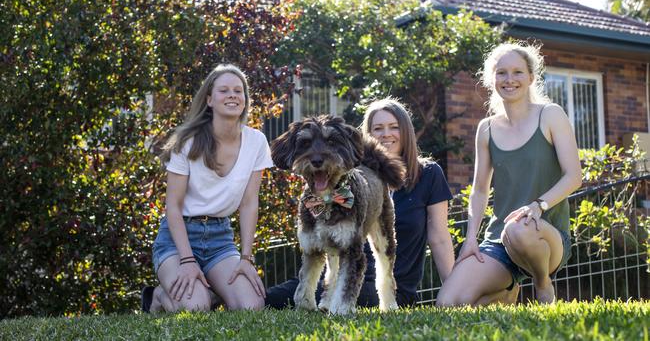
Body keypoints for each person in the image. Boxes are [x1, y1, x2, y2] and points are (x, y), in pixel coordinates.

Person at [265, 98, 454, 308]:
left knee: (303, 295)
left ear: (406, 131)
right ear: (367, 135)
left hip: (388, 287)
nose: (386, 134)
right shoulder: (343, 176)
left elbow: (439, 237)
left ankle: (351, 300)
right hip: (336, 276)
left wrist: (453, 289)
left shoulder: (428, 174)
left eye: (394, 127)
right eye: (378, 128)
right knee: (275, 297)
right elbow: (317, 252)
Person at [436, 42, 582, 306]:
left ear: (531, 77)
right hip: (500, 240)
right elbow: (480, 190)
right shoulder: (487, 129)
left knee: (519, 228)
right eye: (501, 72)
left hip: (545, 237)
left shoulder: (550, 115)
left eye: (517, 72)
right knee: (449, 302)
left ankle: (542, 284)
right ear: (492, 79)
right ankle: (505, 292)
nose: (509, 79)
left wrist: (538, 206)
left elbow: (574, 176)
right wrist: (471, 239)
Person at [141, 64, 273, 313]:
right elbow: (173, 207)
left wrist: (246, 258)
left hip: (219, 238)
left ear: (245, 100)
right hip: (177, 239)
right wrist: (187, 260)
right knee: (196, 308)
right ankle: (158, 296)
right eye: (224, 90)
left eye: (238, 90)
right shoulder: (187, 142)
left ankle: (212, 292)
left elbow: (248, 204)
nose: (232, 95)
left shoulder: (257, 142)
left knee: (251, 306)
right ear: (210, 99)